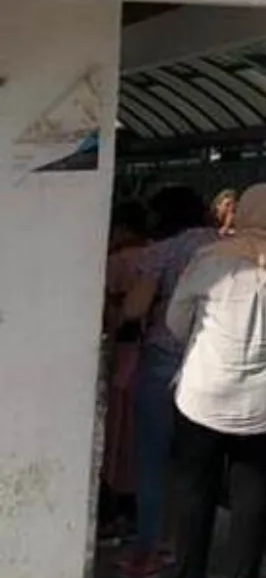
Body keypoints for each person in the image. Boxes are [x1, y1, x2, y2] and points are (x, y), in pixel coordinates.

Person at [161, 184, 266, 578]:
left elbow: (176, 321)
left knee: (196, 490)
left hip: (203, 393)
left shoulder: (211, 258)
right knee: (254, 493)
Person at [113, 185, 216, 578]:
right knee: (192, 463)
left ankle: (148, 551)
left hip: (163, 359)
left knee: (153, 461)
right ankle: (184, 546)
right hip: (210, 361)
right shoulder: (223, 249)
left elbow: (135, 307)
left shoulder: (162, 252)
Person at [99, 201, 153, 544]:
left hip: (122, 355)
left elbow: (111, 315)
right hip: (151, 358)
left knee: (114, 439)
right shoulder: (154, 258)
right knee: (139, 442)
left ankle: (111, 513)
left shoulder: (115, 263)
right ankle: (135, 514)